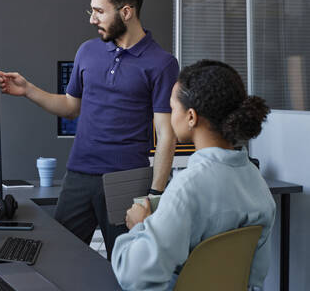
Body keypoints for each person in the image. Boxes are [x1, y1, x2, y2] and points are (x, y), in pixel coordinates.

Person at [0, 0, 178, 259]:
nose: (92, 19)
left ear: (126, 11)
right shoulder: (87, 51)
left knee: (127, 267)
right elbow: (70, 106)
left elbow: (167, 134)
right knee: (58, 258)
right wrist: (28, 90)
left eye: (99, 12)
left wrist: (154, 196)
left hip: (127, 179)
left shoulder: (162, 63)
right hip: (79, 173)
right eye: (91, 10)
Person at [111, 60, 276, 290]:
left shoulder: (187, 187)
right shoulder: (256, 181)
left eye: (172, 107)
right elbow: (254, 276)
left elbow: (134, 276)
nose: (169, 115)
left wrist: (140, 227)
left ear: (191, 116)